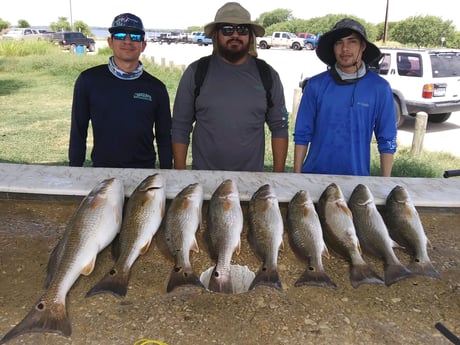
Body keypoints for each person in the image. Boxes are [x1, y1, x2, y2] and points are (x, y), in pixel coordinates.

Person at [171, 2, 289, 172]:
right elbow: (180, 127)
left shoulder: (268, 75)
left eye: (242, 29)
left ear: (250, 36)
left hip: (251, 185)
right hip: (204, 181)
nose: (235, 35)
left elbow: (279, 127)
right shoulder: (196, 72)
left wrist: (278, 176)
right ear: (216, 36)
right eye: (227, 29)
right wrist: (181, 175)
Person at [293, 18, 397, 176]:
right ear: (333, 48)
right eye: (338, 43)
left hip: (356, 180)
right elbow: (302, 134)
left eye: (352, 41)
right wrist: (297, 176)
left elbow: (387, 140)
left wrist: (385, 183)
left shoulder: (380, 88)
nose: (345, 48)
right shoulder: (315, 85)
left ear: (362, 46)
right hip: (313, 177)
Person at [69, 13, 172, 169]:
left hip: (143, 173)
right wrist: (74, 169)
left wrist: (167, 172)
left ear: (143, 45)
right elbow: (78, 130)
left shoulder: (157, 88)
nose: (128, 41)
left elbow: (164, 137)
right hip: (102, 170)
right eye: (120, 34)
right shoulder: (88, 80)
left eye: (135, 36)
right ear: (110, 42)